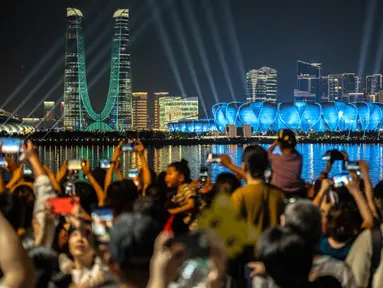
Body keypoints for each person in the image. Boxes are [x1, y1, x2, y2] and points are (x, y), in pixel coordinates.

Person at [267, 129, 305, 197]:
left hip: (277, 193)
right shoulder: (299, 158)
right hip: (296, 192)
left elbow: (267, 153)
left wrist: (275, 142)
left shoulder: (277, 159)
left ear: (280, 145)